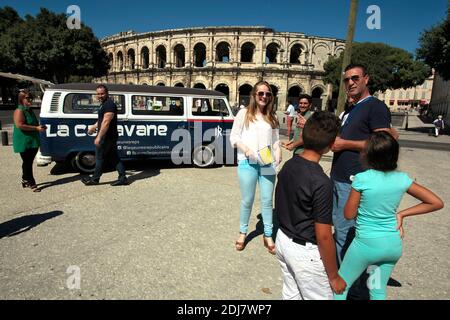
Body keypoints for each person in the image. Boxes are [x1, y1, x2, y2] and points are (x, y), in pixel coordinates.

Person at [334, 131, 444, 300]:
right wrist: (401, 214)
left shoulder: (362, 179)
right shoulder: (402, 179)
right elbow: (436, 202)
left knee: (341, 285)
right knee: (377, 290)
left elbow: (348, 214)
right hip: (392, 246)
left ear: (367, 155)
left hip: (366, 245)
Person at [330, 63, 393, 299]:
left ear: (366, 79)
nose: (350, 83)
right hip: (340, 177)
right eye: (346, 80)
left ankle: (350, 289)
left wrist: (346, 144)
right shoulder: (351, 109)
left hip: (355, 179)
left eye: (355, 78)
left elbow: (384, 143)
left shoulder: (374, 107)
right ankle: (343, 282)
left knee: (347, 233)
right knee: (341, 231)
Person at [274, 111, 346, 300]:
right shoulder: (321, 182)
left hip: (283, 238)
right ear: (331, 145)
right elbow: (323, 235)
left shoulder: (289, 165)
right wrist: (334, 276)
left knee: (291, 294)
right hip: (305, 251)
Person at [230, 81, 281, 255]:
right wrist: (246, 150)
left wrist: (278, 151)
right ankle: (243, 232)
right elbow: (234, 137)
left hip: (267, 162)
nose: (264, 97)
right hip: (247, 161)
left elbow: (275, 141)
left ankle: (268, 235)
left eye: (267, 94)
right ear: (254, 95)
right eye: (261, 93)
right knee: (247, 200)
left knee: (267, 200)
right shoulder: (244, 113)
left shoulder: (271, 117)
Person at [82, 84, 128, 186]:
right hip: (109, 136)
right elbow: (101, 120)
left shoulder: (109, 104)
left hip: (107, 137)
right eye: (98, 94)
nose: (100, 95)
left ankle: (95, 179)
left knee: (99, 157)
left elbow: (106, 122)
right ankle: (123, 178)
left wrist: (99, 137)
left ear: (107, 93)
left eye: (102, 93)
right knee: (114, 157)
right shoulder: (104, 104)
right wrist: (94, 127)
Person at [13, 90, 46, 192]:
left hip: (33, 140)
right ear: (21, 99)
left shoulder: (29, 110)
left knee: (28, 161)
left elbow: (33, 123)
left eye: (31, 98)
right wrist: (36, 128)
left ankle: (25, 179)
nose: (30, 100)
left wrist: (39, 127)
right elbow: (20, 125)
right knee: (27, 162)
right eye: (28, 98)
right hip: (24, 141)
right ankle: (31, 182)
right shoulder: (19, 111)